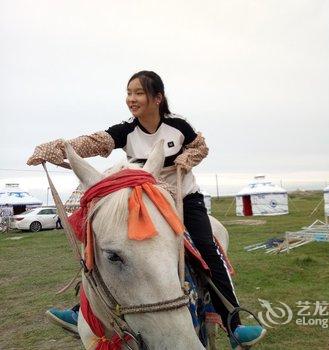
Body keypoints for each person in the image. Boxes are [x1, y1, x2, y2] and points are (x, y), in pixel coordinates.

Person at [27, 70, 265, 348]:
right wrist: (54, 148)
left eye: (138, 93)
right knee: (111, 245)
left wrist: (187, 158)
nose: (131, 99)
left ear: (157, 98)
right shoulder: (126, 131)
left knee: (206, 248)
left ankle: (233, 324)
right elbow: (92, 142)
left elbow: (200, 146)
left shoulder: (178, 127)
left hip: (184, 197)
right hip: (147, 200)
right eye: (129, 93)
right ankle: (81, 310)